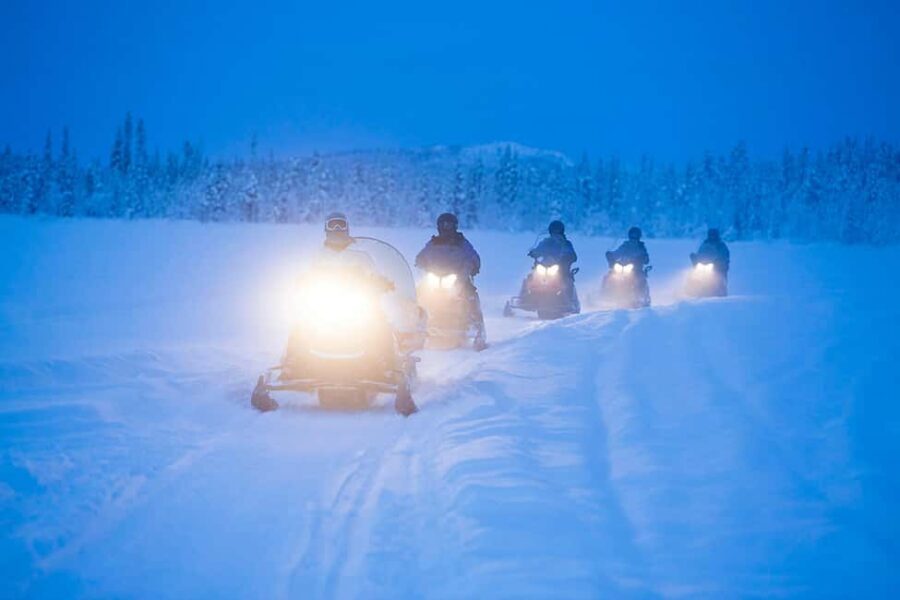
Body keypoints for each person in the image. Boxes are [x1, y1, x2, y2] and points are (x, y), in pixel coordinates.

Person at [415, 212, 487, 349]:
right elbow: (421, 256)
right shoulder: (433, 243)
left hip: (458, 278)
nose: (446, 227)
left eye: (449, 224)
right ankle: (414, 324)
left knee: (470, 294)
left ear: (454, 226)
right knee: (418, 293)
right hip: (435, 277)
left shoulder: (462, 243)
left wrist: (473, 266)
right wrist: (420, 262)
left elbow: (473, 256)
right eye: (443, 224)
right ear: (438, 226)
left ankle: (477, 327)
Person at [524, 220, 579, 312]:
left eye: (557, 231)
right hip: (545, 266)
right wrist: (534, 252)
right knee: (530, 277)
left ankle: (570, 301)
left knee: (567, 280)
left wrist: (567, 257)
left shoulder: (566, 243)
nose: (555, 233)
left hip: (560, 269)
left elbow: (573, 255)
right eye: (554, 231)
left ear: (561, 231)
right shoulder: (546, 242)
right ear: (550, 231)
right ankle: (525, 298)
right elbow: (539, 249)